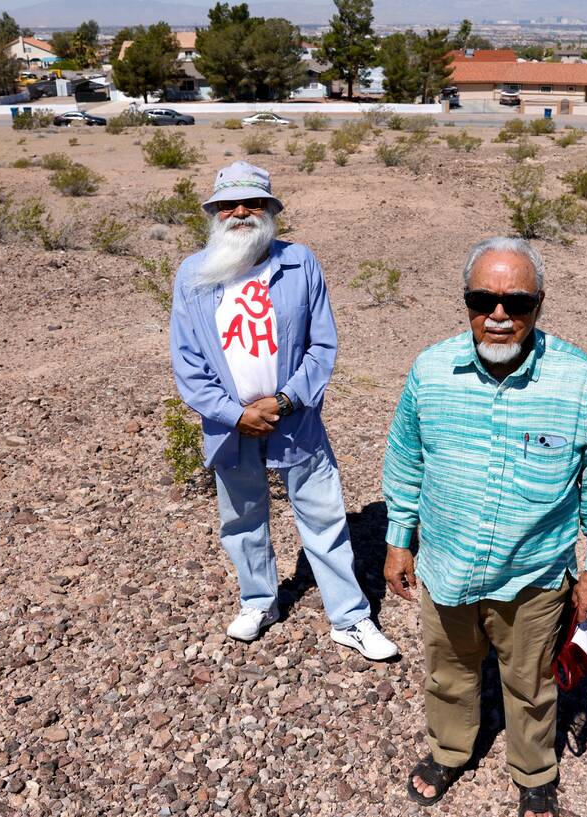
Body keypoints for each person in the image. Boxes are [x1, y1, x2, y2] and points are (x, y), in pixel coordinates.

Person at [382, 237, 587, 817]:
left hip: (534, 574)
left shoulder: (577, 379)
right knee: (448, 673)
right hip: (447, 565)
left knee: (532, 684)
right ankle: (449, 750)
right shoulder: (431, 370)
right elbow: (405, 458)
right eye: (482, 299)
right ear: (465, 302)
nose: (498, 315)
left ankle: (535, 771)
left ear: (539, 305)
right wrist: (398, 541)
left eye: (516, 302)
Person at [169, 161, 397, 661]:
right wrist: (233, 413)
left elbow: (322, 345)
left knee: (324, 517)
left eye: (252, 202)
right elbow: (186, 361)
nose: (240, 212)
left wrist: (286, 400)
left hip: (296, 421)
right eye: (228, 204)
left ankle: (351, 618)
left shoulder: (299, 263)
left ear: (271, 210)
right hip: (231, 428)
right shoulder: (194, 272)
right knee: (243, 518)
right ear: (214, 213)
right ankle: (259, 601)